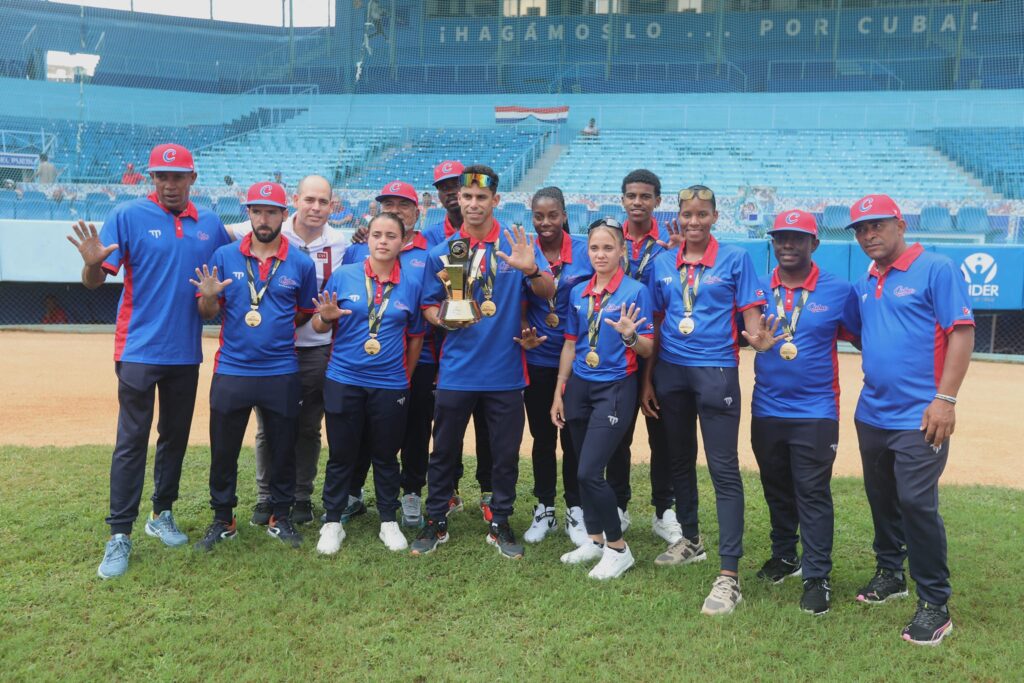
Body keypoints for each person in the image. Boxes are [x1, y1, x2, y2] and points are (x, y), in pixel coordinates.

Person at [66, 143, 231, 579]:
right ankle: (119, 533)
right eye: (161, 176)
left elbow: (215, 292)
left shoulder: (210, 225)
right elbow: (93, 281)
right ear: (151, 178)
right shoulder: (127, 215)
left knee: (174, 436)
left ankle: (161, 514)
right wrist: (91, 266)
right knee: (132, 440)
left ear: (192, 179)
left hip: (185, 352)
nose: (169, 184)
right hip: (137, 349)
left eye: (177, 177)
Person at [843, 194, 974, 646]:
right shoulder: (866, 280)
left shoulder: (936, 268)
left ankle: (934, 602)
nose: (868, 235)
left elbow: (961, 333)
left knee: (916, 502)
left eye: (877, 225)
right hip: (872, 412)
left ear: (900, 225)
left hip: (922, 416)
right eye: (861, 229)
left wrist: (945, 399)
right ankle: (890, 572)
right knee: (881, 497)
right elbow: (864, 335)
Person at [411, 165, 555, 559]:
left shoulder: (515, 243)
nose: (473, 204)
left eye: (481, 197)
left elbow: (547, 291)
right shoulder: (444, 251)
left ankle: (501, 521)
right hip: (457, 371)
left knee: (505, 454)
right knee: (443, 450)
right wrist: (444, 319)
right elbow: (427, 305)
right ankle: (435, 518)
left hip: (505, 371)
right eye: (467, 197)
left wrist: (532, 268)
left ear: (496, 200)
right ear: (458, 199)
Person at [641, 184, 767, 616]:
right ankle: (691, 540)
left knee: (723, 470)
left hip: (716, 373)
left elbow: (751, 316)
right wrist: (647, 381)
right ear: (677, 216)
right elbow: (655, 322)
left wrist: (759, 338)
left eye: (702, 214)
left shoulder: (735, 258)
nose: (694, 221)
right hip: (670, 371)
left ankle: (729, 575)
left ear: (714, 217)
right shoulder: (662, 263)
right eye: (687, 214)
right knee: (678, 459)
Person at [191, 181, 317, 552]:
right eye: (257, 211)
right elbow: (207, 311)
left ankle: (280, 516)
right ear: (248, 214)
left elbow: (303, 313)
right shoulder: (224, 255)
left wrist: (274, 330)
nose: (264, 219)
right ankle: (223, 519)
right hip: (232, 369)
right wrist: (208, 298)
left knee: (283, 448)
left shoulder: (300, 262)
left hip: (281, 371)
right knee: (223, 450)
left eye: (271, 212)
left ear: (284, 215)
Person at [746, 210, 857, 616]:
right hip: (766, 407)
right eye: (780, 238)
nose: (788, 244)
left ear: (815, 243)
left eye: (797, 238)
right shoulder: (758, 288)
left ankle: (817, 575)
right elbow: (743, 336)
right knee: (775, 486)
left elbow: (864, 337)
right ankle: (784, 555)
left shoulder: (839, 290)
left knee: (811, 491)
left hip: (816, 410)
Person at [231, 175, 347, 527]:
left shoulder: (341, 242)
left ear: (333, 206)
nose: (315, 207)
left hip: (316, 348)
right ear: (294, 201)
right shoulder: (265, 226)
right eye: (309, 199)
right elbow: (219, 232)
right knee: (268, 428)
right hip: (271, 350)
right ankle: (266, 496)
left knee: (308, 427)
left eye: (322, 201)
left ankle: (300, 496)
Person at [311, 212, 426, 554]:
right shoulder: (343, 275)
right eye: (377, 234)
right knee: (341, 454)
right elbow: (318, 325)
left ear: (403, 242)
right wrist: (324, 318)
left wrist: (404, 377)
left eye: (391, 236)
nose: (383, 241)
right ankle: (333, 521)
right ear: (368, 238)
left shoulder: (411, 284)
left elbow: (416, 337)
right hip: (344, 379)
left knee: (386, 455)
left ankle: (388, 521)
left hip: (390, 384)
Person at [551, 218, 654, 579]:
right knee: (581, 467)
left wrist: (630, 336)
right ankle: (594, 540)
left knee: (589, 472)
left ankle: (618, 549)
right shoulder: (579, 292)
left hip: (615, 388)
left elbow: (647, 348)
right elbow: (570, 344)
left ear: (622, 251)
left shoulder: (635, 291)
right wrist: (559, 391)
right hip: (579, 385)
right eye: (594, 248)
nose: (600, 254)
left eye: (608, 247)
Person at [341, 181, 434, 527]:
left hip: (419, 357)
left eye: (403, 205)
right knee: (362, 426)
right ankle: (352, 491)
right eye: (387, 204)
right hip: (366, 362)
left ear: (417, 212)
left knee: (415, 429)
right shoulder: (357, 251)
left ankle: (411, 493)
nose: (395, 210)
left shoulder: (431, 252)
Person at [518, 187, 593, 545]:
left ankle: (576, 508)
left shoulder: (584, 251)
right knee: (542, 438)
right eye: (538, 216)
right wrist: (524, 332)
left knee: (573, 436)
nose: (545, 222)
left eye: (552, 215)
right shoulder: (526, 251)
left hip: (576, 360)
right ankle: (544, 507)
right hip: (537, 359)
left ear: (564, 215)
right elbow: (517, 302)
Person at [422, 159, 494, 518]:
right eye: (447, 188)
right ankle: (444, 497)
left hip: (496, 358)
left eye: (459, 187)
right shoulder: (435, 240)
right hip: (451, 357)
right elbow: (429, 301)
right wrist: (446, 319)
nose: (456, 195)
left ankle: (490, 494)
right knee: (446, 435)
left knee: (491, 435)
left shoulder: (505, 241)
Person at [615, 169, 678, 545]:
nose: (637, 202)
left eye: (645, 196)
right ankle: (618, 505)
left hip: (658, 352)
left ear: (657, 200)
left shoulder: (669, 248)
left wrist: (676, 255)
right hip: (614, 353)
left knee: (662, 435)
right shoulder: (609, 238)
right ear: (622, 199)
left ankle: (664, 510)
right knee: (617, 433)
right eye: (631, 195)